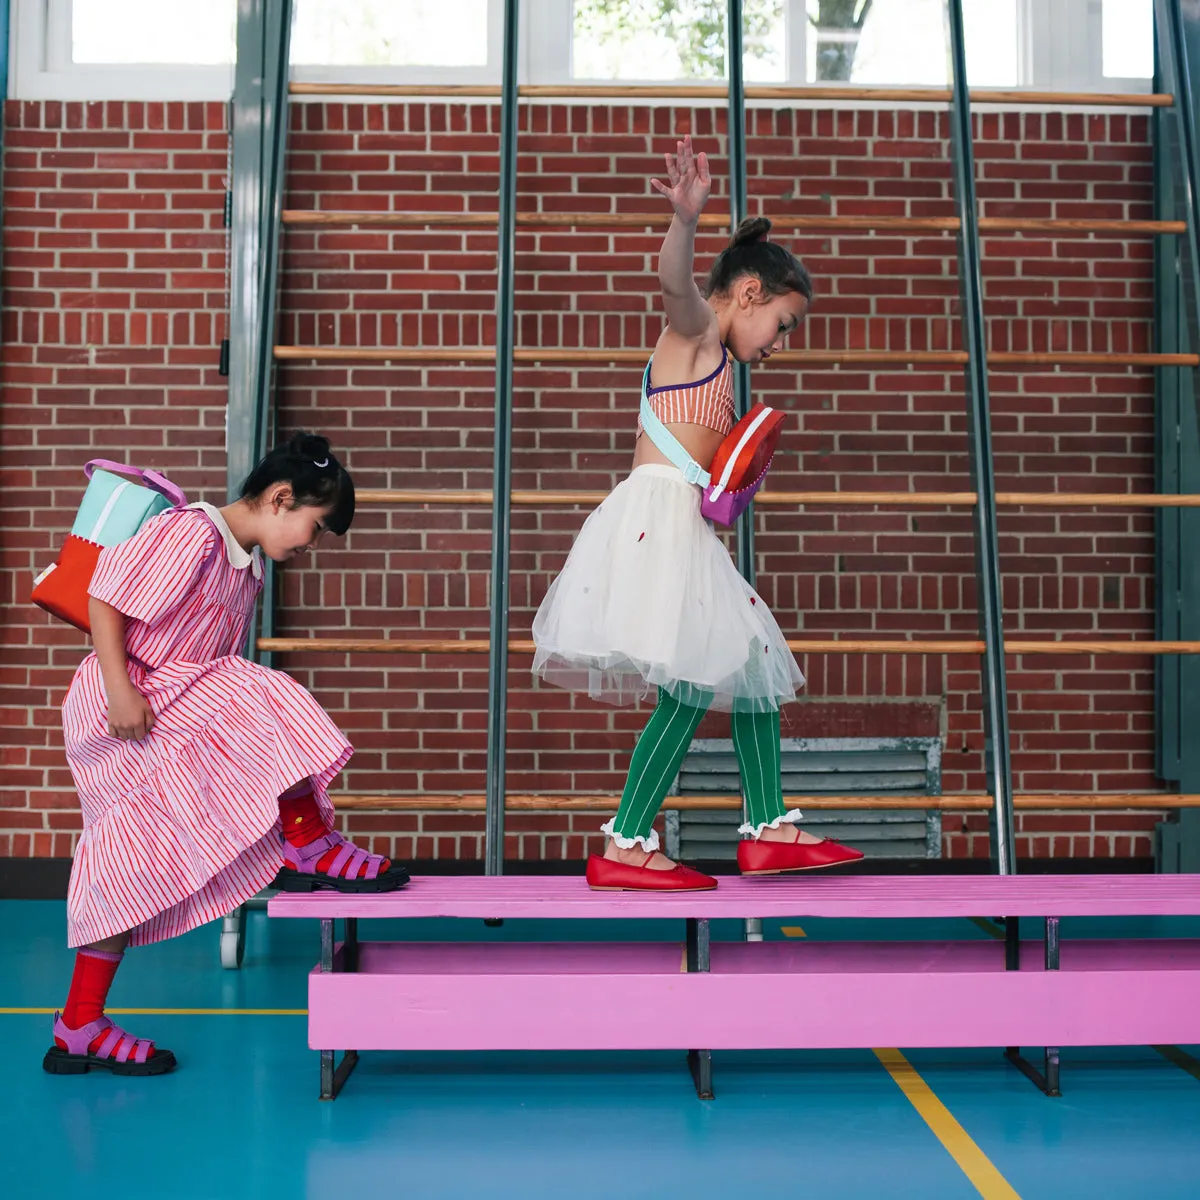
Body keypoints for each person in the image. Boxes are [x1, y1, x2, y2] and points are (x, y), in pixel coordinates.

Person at [533, 137, 864, 891]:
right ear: (748, 293)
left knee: (747, 667)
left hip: (679, 526)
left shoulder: (716, 357)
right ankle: (626, 840)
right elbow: (675, 283)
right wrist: (684, 220)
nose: (780, 345)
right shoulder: (696, 337)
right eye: (782, 324)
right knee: (689, 686)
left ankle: (767, 827)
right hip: (657, 525)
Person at [43, 433, 407, 1077]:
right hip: (129, 702)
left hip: (173, 705)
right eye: (314, 527)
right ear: (279, 498)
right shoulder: (192, 534)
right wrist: (122, 692)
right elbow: (105, 596)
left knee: (126, 861)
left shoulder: (246, 562)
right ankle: (308, 840)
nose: (311, 545)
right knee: (256, 689)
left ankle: (78, 1025)